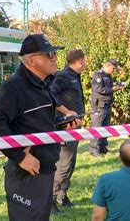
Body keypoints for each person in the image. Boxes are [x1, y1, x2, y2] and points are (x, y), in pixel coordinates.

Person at [0, 34, 79, 220]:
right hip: (26, 174)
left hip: (45, 169)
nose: (54, 58)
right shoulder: (15, 86)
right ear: (32, 60)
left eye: (54, 53)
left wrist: (62, 126)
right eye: (49, 54)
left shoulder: (42, 84)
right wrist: (19, 156)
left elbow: (38, 123)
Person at [49, 49, 87, 213]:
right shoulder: (63, 76)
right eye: (84, 60)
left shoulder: (74, 75)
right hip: (65, 128)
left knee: (70, 164)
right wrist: (66, 112)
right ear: (79, 61)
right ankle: (50, 200)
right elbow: (51, 94)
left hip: (74, 127)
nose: (86, 63)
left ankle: (62, 195)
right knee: (63, 165)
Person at [90, 59, 125, 156]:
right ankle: (94, 149)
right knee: (97, 127)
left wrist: (116, 87)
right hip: (99, 105)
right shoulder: (98, 75)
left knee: (105, 127)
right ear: (108, 66)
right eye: (113, 69)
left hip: (107, 104)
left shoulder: (108, 76)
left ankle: (103, 147)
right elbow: (98, 89)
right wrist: (112, 89)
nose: (114, 71)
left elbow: (108, 89)